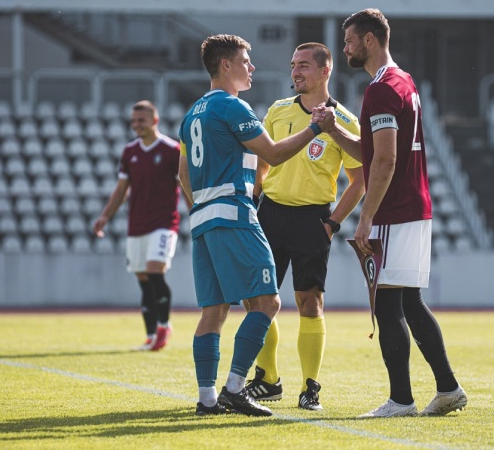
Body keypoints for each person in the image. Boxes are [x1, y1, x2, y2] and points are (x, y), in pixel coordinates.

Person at [313, 8, 468, 418]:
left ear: (368, 40)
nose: (344, 48)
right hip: (414, 206)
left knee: (387, 306)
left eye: (348, 40)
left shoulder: (381, 89)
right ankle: (448, 388)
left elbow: (382, 161)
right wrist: (333, 130)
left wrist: (365, 216)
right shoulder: (404, 82)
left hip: (394, 210)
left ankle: (401, 399)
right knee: (411, 303)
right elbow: (372, 150)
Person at [177, 34, 333, 417]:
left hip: (203, 220)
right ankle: (235, 388)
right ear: (226, 65)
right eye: (246, 60)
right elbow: (275, 154)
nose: (252, 67)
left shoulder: (192, 112)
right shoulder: (232, 106)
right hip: (234, 213)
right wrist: (315, 127)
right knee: (267, 302)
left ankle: (207, 399)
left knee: (213, 312)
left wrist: (203, 206)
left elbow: (182, 173)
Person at [243, 42, 364, 411]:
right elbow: (261, 163)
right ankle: (268, 379)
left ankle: (311, 387)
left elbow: (359, 181)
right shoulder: (278, 111)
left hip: (314, 218)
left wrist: (332, 223)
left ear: (325, 71)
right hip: (270, 214)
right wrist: (253, 200)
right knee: (258, 300)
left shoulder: (344, 121)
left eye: (305, 66)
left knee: (309, 302)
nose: (296, 72)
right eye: (293, 65)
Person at [93, 100, 186, 352]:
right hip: (137, 224)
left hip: (164, 223)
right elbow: (122, 189)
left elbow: (184, 183)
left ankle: (164, 326)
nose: (136, 125)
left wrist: (197, 211)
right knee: (143, 278)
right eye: (133, 121)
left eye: (141, 121)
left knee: (155, 270)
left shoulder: (171, 150)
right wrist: (105, 217)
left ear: (154, 121)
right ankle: (149, 334)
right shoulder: (130, 151)